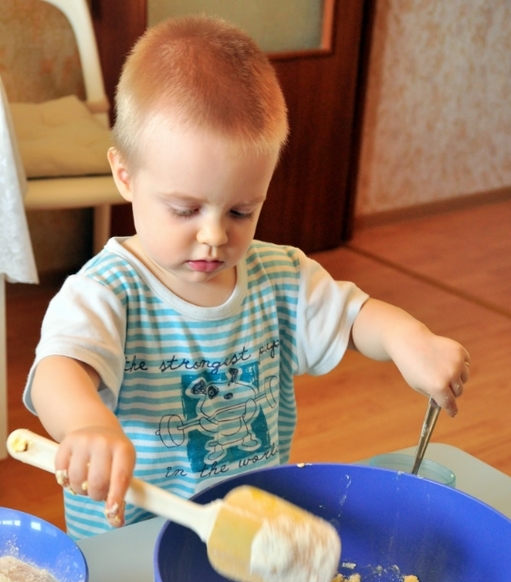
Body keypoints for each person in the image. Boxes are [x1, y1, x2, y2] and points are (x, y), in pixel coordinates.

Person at [24, 16, 470, 540]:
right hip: (130, 539)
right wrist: (86, 425)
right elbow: (59, 370)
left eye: (241, 211)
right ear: (125, 175)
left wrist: (408, 338)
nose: (214, 235)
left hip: (248, 529)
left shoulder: (281, 278)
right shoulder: (106, 292)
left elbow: (354, 319)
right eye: (185, 210)